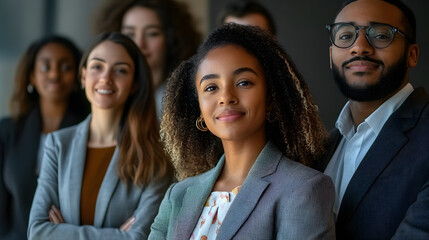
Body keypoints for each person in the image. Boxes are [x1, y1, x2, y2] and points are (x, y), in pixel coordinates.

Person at [148, 23, 335, 239]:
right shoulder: (177, 195)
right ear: (199, 109)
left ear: (270, 99)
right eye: (211, 87)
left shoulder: (304, 188)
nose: (226, 96)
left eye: (244, 82)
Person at [27, 32, 173, 239]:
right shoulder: (58, 145)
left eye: (121, 70)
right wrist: (115, 235)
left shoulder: (154, 158)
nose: (106, 77)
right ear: (83, 75)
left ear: (134, 84)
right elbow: (37, 231)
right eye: (97, 66)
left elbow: (139, 238)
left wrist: (62, 233)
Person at [315, 0, 429, 239]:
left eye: (379, 35)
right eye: (345, 36)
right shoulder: (319, 151)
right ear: (330, 55)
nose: (359, 48)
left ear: (412, 54)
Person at [0, 35, 89, 240]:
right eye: (45, 67)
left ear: (78, 76)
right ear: (31, 75)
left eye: (66, 67)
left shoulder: (91, 131)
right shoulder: (7, 131)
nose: (55, 74)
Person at [93, 0, 202, 118]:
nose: (140, 43)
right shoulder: (105, 91)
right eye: (130, 34)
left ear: (171, 39)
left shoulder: (190, 97)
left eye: (152, 33)